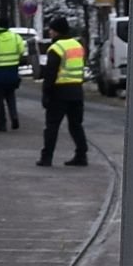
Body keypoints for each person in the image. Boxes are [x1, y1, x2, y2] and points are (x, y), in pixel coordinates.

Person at [36, 17, 92, 168]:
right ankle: (82, 155)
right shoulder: (77, 46)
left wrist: (46, 94)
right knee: (76, 125)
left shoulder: (56, 48)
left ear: (56, 31)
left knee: (52, 126)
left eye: (51, 30)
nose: (50, 32)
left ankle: (46, 157)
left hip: (59, 92)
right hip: (77, 90)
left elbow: (50, 74)